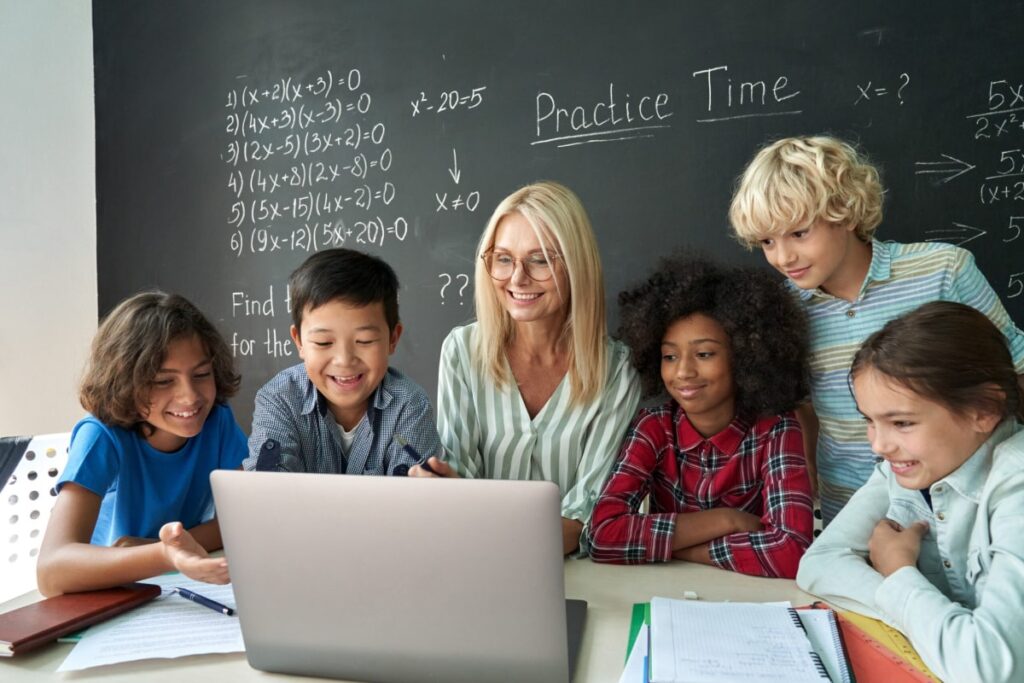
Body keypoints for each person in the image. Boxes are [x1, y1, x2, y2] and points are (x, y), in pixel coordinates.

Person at [729, 135, 1024, 523]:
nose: (783, 257)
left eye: (799, 233)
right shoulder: (783, 310)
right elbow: (802, 404)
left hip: (968, 507)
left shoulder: (943, 270)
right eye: (767, 242)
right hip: (853, 513)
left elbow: (1015, 370)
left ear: (845, 212)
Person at [797, 301, 1024, 682]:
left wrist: (900, 573)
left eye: (901, 423)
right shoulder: (903, 467)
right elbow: (819, 564)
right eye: (870, 421)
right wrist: (930, 621)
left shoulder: (1015, 483)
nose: (879, 446)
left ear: (984, 410)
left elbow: (987, 669)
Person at [413, 181, 641, 556]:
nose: (517, 279)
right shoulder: (463, 351)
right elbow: (459, 487)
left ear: (576, 264)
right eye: (503, 259)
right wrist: (443, 490)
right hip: (477, 564)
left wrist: (474, 516)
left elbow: (591, 518)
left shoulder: (616, 369)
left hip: (576, 576)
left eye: (540, 260)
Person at [588, 255, 813, 577]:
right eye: (669, 356)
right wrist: (727, 520)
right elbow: (602, 536)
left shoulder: (775, 427)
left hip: (751, 598)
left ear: (745, 355)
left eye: (704, 354)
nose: (683, 372)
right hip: (666, 591)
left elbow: (792, 551)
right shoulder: (653, 427)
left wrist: (679, 548)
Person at [37, 292, 246, 596]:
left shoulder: (218, 420)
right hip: (104, 592)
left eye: (201, 374)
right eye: (163, 381)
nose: (190, 397)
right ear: (124, 381)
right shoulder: (101, 436)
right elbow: (51, 573)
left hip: (173, 583)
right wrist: (163, 554)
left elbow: (239, 522)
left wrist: (169, 547)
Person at [244, 248, 441, 475]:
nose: (344, 360)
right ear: (299, 341)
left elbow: (414, 498)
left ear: (393, 339)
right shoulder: (279, 399)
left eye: (364, 341)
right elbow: (267, 492)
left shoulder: (409, 405)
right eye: (323, 342)